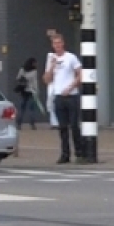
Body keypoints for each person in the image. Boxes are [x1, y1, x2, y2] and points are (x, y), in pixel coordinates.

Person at [43, 32, 83, 164]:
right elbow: (47, 79)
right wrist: (52, 66)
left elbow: (80, 75)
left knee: (74, 126)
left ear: (63, 43)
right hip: (58, 97)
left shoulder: (71, 57)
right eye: (55, 44)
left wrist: (71, 87)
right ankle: (65, 154)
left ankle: (79, 152)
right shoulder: (52, 59)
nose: (57, 46)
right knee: (62, 127)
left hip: (71, 96)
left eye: (59, 43)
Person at [13, 57, 41, 130]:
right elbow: (35, 82)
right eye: (35, 63)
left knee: (22, 108)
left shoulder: (22, 69)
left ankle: (19, 124)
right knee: (31, 109)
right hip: (31, 91)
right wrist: (37, 91)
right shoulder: (34, 71)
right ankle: (32, 124)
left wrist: (24, 78)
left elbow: (18, 78)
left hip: (23, 91)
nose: (36, 64)